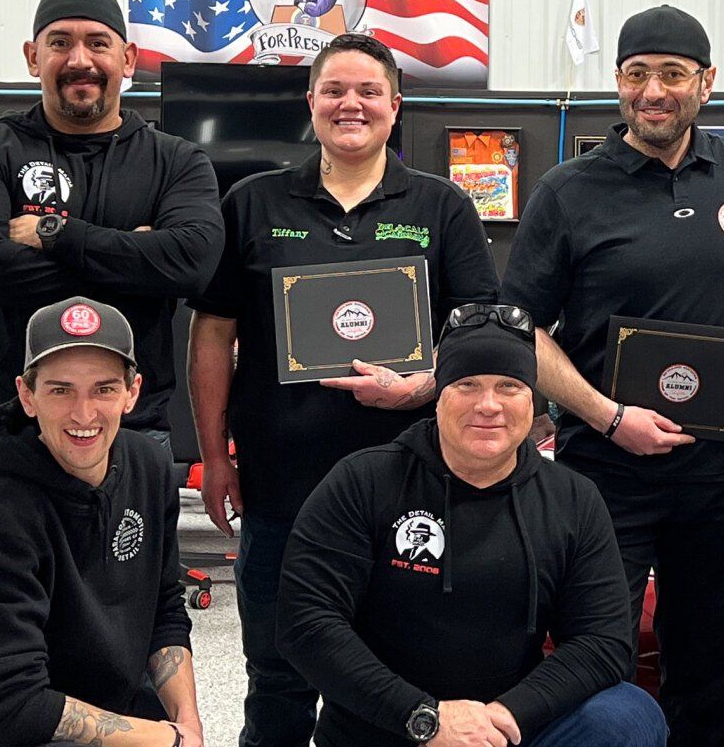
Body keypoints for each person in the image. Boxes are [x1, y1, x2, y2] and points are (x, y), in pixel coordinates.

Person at [187, 32, 500, 747]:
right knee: (277, 677)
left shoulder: (441, 207)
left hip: (410, 493)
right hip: (280, 492)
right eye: (334, 90)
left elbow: (481, 335)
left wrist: (420, 387)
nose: (349, 104)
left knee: (396, 681)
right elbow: (211, 334)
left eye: (367, 91)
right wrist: (215, 453)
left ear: (395, 105)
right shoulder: (253, 204)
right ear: (311, 103)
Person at [500, 5, 724, 747]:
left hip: (722, 476)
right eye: (638, 73)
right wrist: (609, 414)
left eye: (673, 74)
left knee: (713, 666)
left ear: (706, 83)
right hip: (604, 471)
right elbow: (521, 326)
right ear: (617, 82)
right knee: (597, 656)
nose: (655, 90)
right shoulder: (566, 189)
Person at [278, 306, 665, 747]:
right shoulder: (362, 482)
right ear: (438, 394)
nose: (489, 405)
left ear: (532, 400)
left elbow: (603, 641)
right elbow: (305, 623)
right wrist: (424, 718)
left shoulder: (573, 499)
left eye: (510, 387)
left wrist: (503, 717)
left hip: (507, 728)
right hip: (386, 725)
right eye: (467, 385)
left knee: (628, 715)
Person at [0, 0, 224, 555]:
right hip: (1, 430)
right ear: (32, 56)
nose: (80, 60)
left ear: (129, 60)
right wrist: (134, 261)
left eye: (98, 43)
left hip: (132, 435)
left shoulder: (175, 160)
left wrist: (52, 235)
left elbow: (190, 265)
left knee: (131, 618)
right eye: (60, 43)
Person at [0, 297, 202, 747]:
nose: (83, 414)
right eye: (61, 390)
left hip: (97, 705)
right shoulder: (0, 510)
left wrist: (186, 724)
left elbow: (165, 609)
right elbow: (13, 706)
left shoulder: (149, 466)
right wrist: (163, 740)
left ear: (132, 393)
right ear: (27, 396)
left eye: (104, 389)